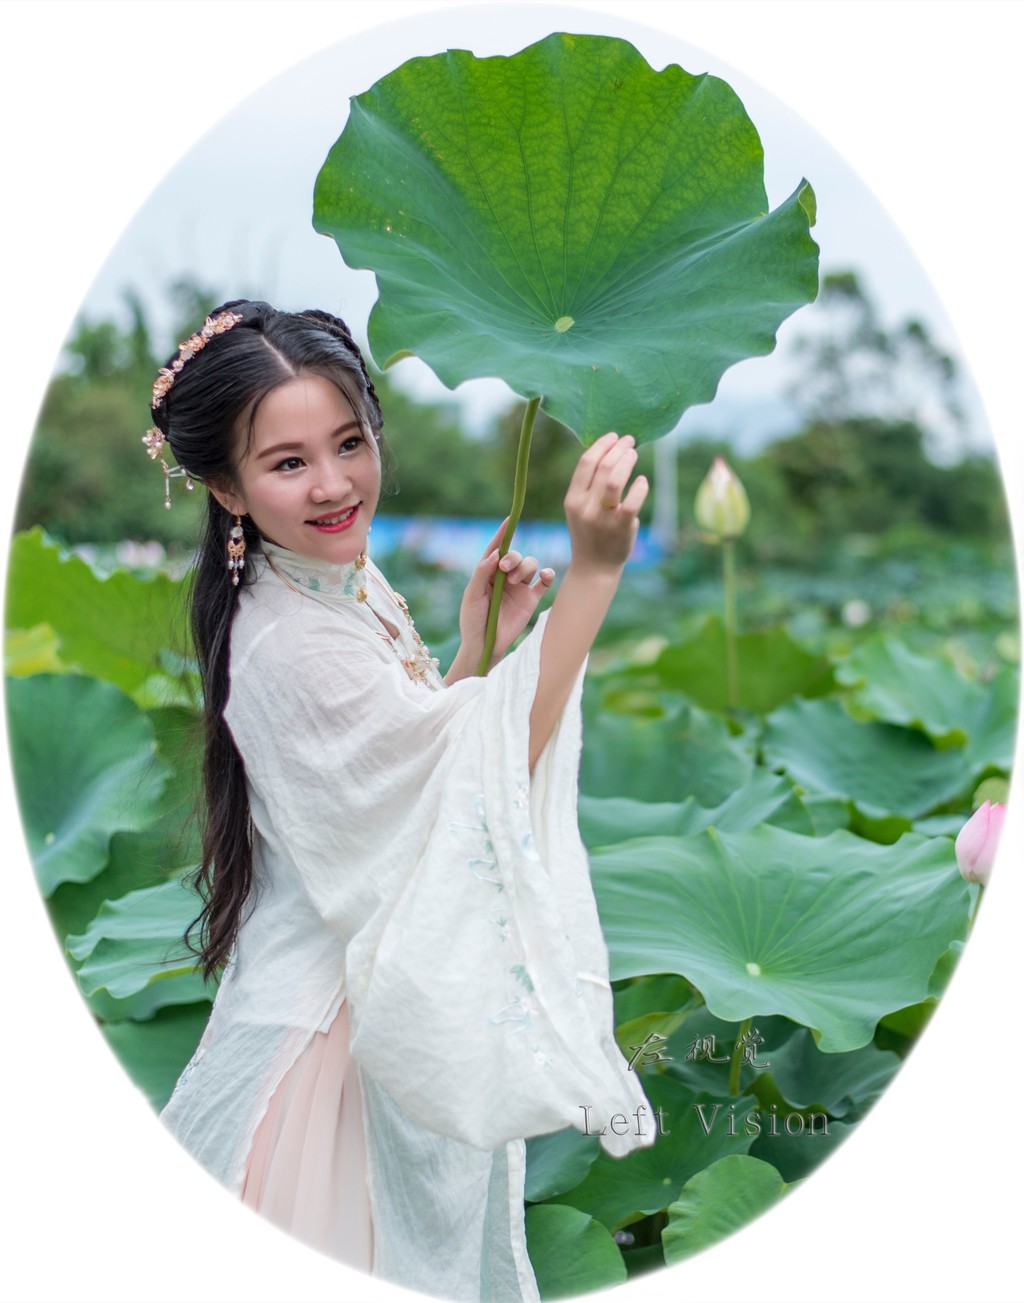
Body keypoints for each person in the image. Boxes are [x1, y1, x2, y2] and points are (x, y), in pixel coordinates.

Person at [150, 300, 654, 1302]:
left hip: (367, 1006)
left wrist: (476, 648)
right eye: (288, 463)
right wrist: (594, 573)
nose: (334, 483)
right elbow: (473, 778)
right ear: (225, 487)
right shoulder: (288, 642)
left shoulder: (326, 579)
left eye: (349, 441)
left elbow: (409, 777)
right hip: (326, 1058)